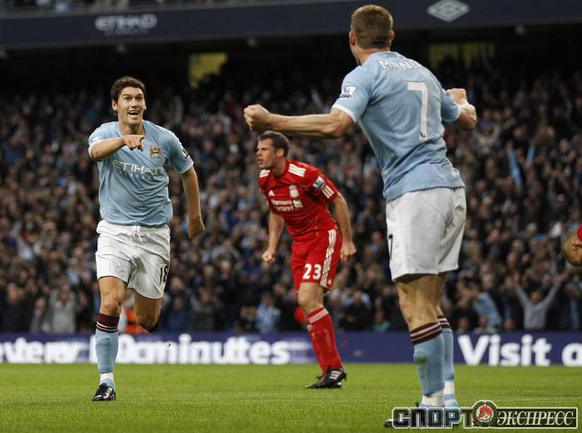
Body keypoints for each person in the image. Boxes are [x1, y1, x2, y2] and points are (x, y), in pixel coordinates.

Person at [244, 4, 476, 409]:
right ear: (392, 37)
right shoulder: (422, 71)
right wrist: (461, 98)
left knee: (412, 303)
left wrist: (272, 121)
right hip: (451, 190)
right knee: (430, 303)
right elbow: (467, 120)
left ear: (352, 38)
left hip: (415, 194)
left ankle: (432, 405)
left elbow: (335, 126)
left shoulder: (365, 75)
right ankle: (447, 401)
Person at [88, 76, 204, 401]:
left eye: (138, 98)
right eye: (127, 98)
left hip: (154, 236)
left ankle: (142, 297)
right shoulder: (104, 134)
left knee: (148, 319)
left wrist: (194, 216)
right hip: (115, 231)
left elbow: (189, 172)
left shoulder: (164, 139)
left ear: (145, 104)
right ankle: (106, 381)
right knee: (110, 302)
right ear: (116, 105)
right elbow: (95, 153)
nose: (134, 103)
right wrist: (123, 142)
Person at [256, 131, 356, 388]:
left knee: (307, 301)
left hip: (322, 237)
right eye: (258, 149)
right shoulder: (265, 179)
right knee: (307, 308)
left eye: (264, 149)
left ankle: (334, 367)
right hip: (298, 245)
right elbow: (275, 212)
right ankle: (330, 371)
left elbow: (338, 200)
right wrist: (271, 246)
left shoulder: (306, 175)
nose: (258, 153)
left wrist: (347, 240)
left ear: (280, 152)